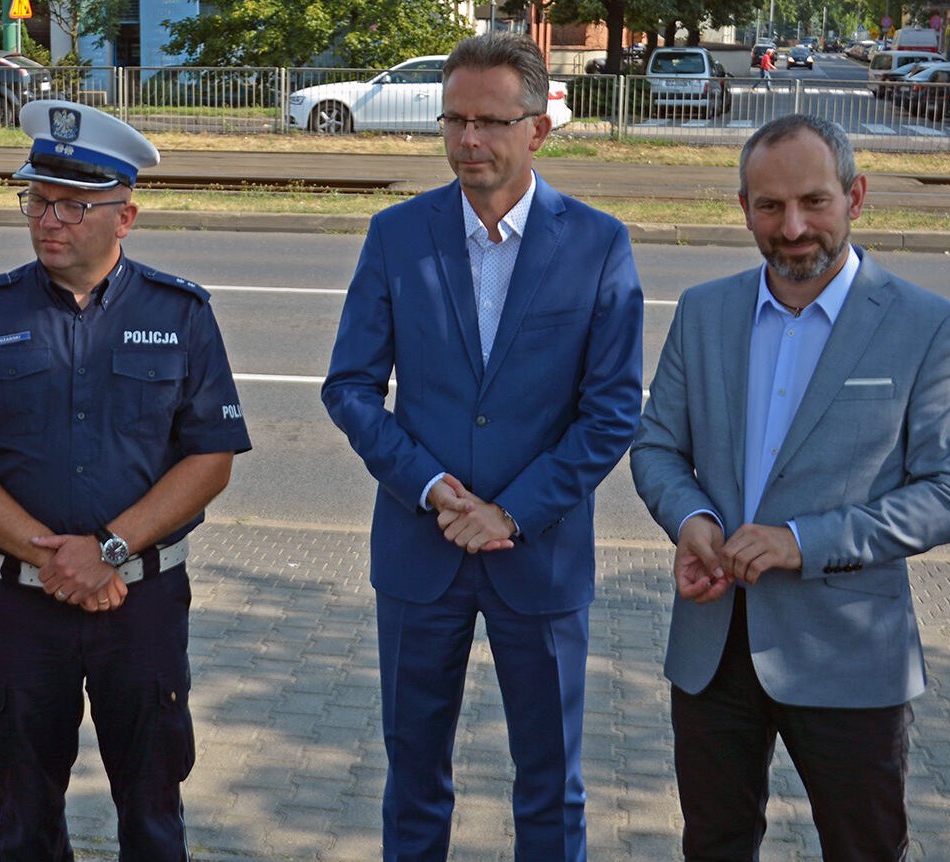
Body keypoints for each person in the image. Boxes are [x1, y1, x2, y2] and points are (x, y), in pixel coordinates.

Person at [629, 113, 950, 861]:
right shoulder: (704, 312)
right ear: (744, 209)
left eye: (814, 202)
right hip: (713, 643)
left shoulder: (927, 325)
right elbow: (657, 444)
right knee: (715, 844)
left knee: (863, 847)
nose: (792, 226)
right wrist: (691, 518)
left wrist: (803, 542)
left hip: (850, 650)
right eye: (769, 206)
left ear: (855, 196)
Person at [321, 33, 644, 862]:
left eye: (491, 123)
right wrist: (431, 487)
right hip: (420, 550)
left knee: (551, 783)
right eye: (454, 121)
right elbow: (351, 387)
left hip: (539, 556)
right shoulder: (397, 234)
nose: (469, 141)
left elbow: (611, 412)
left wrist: (511, 512)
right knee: (414, 775)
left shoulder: (598, 244)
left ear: (538, 128)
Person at [0, 100, 251, 861]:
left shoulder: (182, 313)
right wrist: (53, 557)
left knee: (153, 804)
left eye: (72, 204)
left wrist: (111, 549)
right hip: (22, 610)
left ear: (125, 216)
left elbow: (210, 458)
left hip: (144, 606)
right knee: (24, 809)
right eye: (36, 199)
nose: (48, 220)